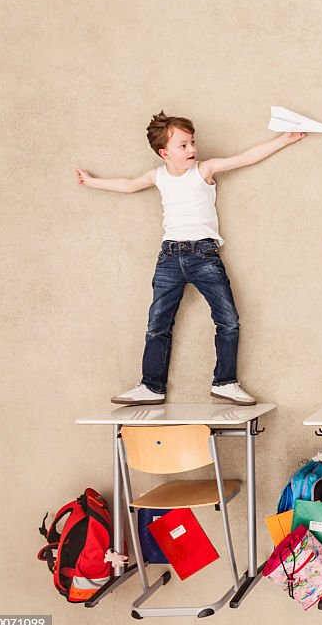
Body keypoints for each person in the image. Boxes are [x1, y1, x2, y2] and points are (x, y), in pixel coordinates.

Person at [76, 111, 305, 405]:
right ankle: (151, 386)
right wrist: (92, 182)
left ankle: (225, 381)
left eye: (192, 142)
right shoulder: (157, 176)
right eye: (183, 146)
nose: (192, 149)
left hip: (204, 255)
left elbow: (245, 158)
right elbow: (128, 185)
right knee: (157, 324)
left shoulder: (204, 170)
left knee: (229, 321)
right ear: (164, 152)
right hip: (169, 257)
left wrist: (284, 139)